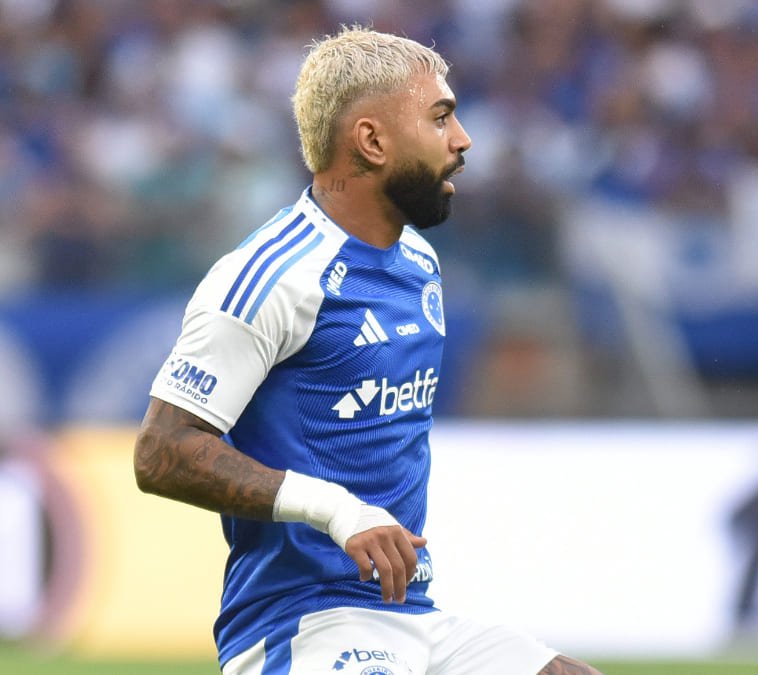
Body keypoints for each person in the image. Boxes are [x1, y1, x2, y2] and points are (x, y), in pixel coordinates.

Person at [134, 25, 601, 675]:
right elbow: (161, 451)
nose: (463, 141)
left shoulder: (419, 263)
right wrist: (335, 509)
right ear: (373, 141)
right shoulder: (272, 277)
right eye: (441, 118)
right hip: (303, 620)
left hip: (412, 611)